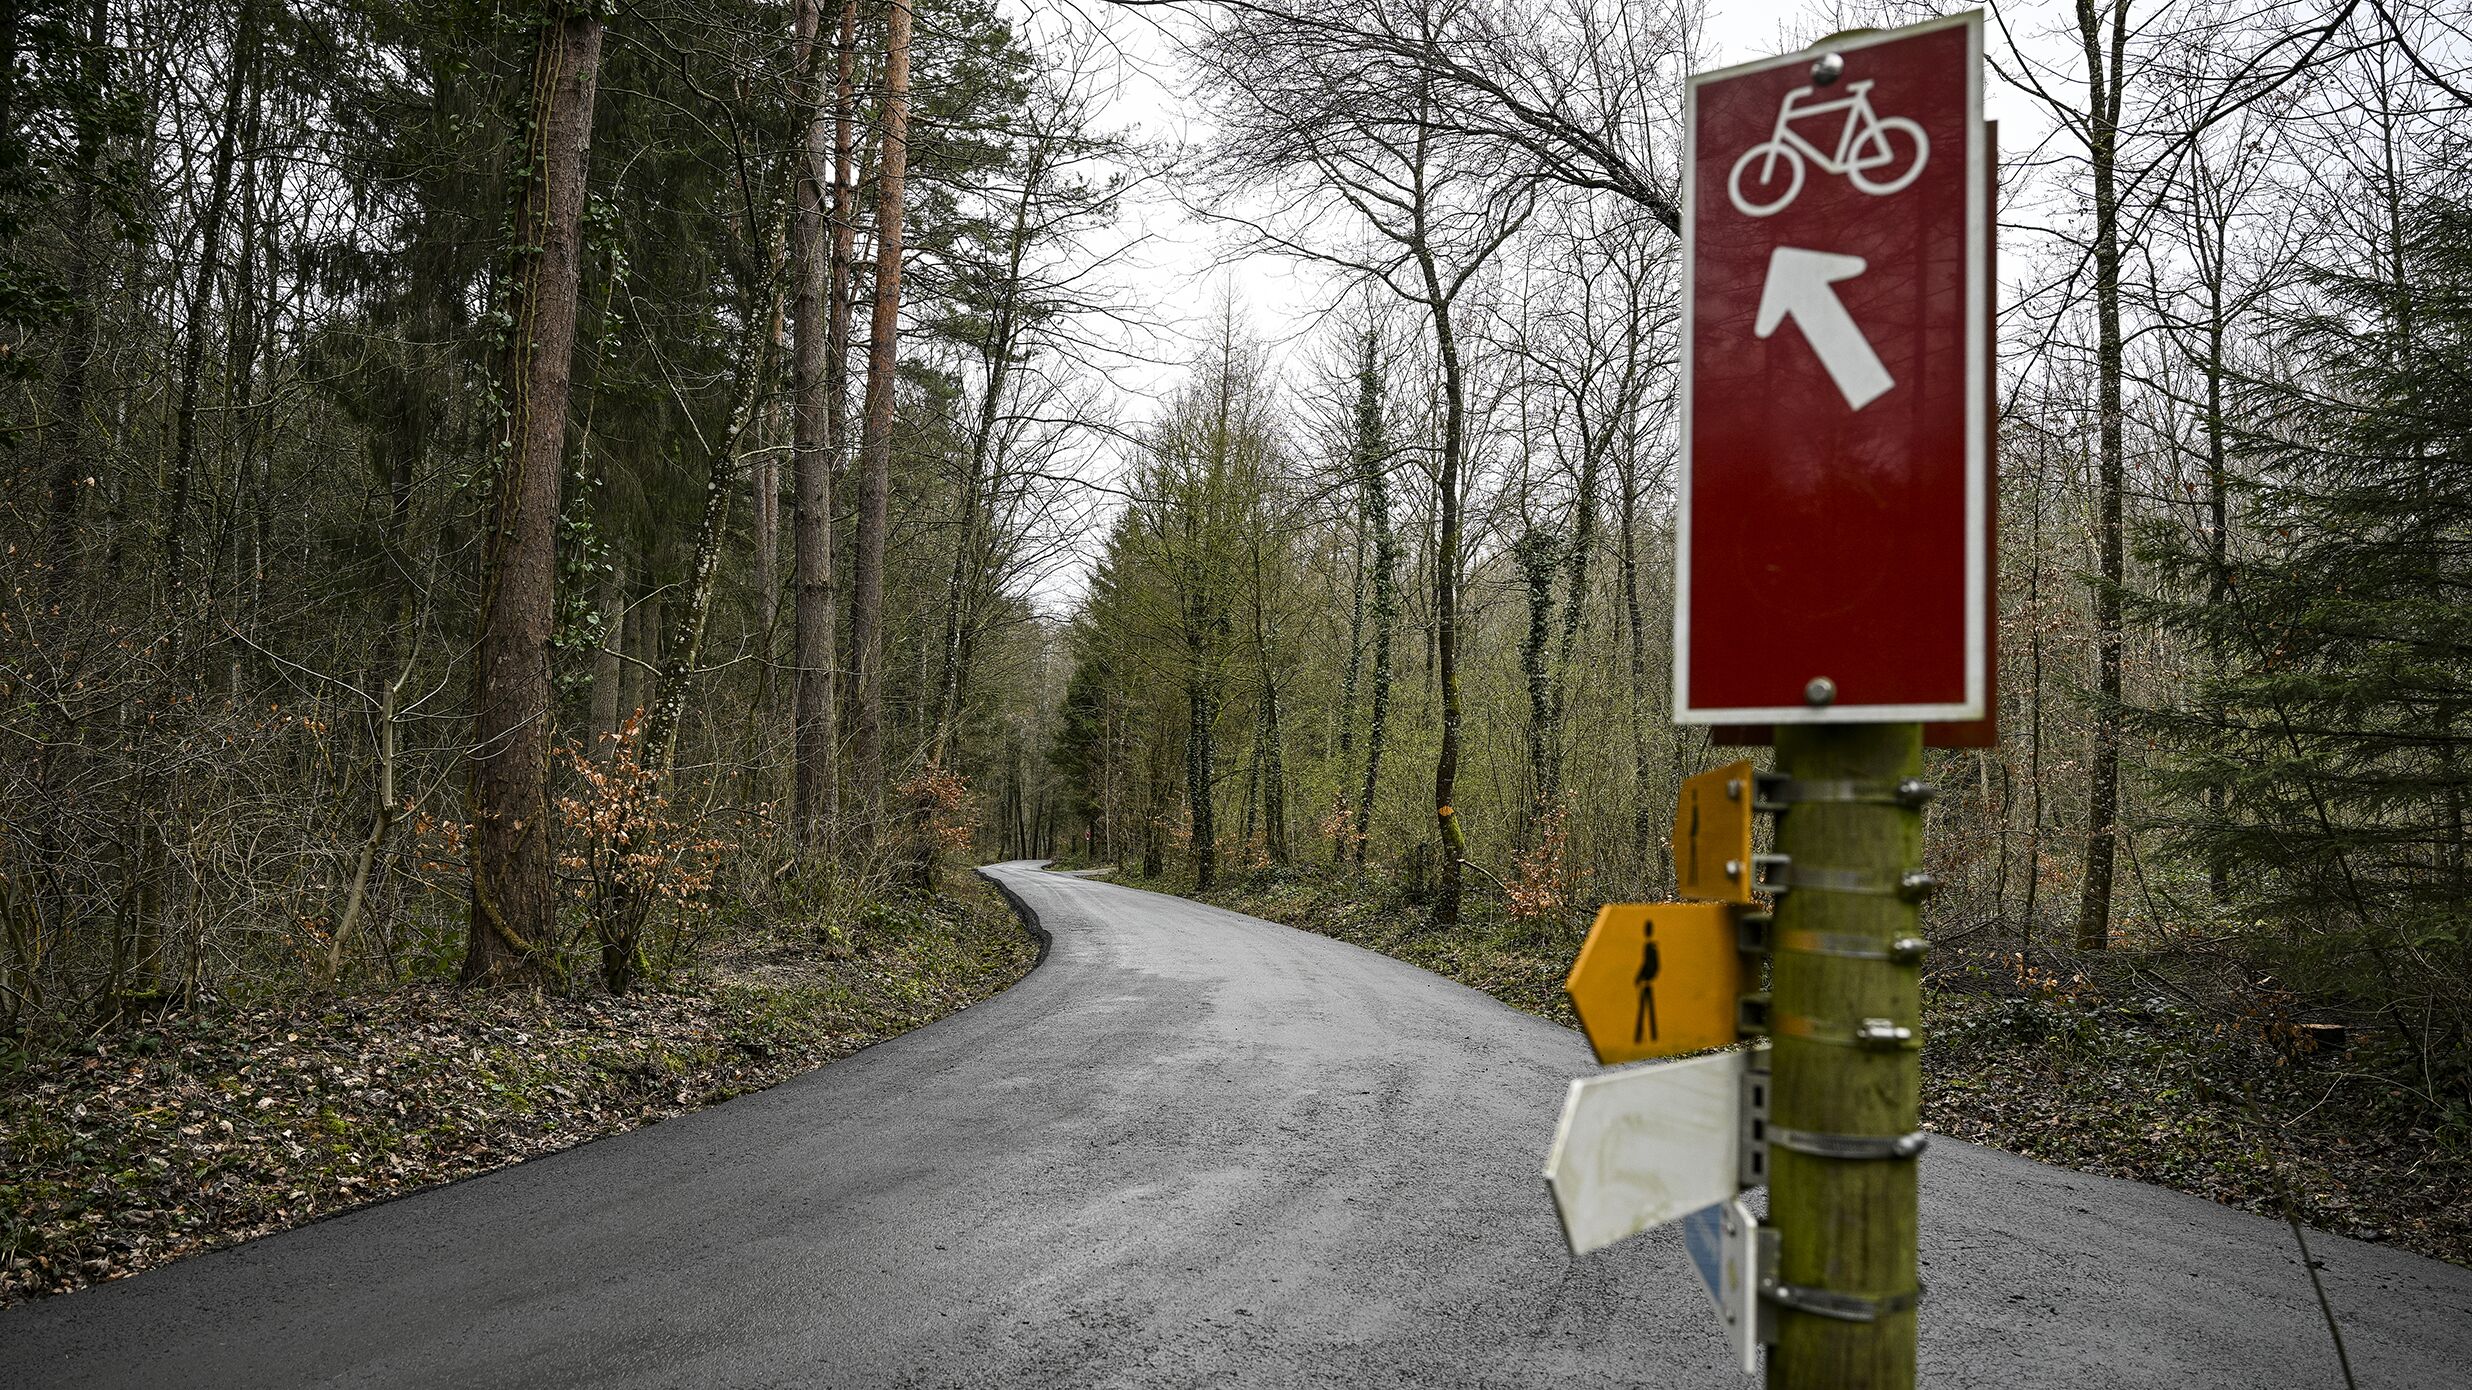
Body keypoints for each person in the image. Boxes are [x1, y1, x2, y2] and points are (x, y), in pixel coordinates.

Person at [1633, 921, 1661, 1043]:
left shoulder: (1649, 946)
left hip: (1646, 980)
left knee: (1643, 1008)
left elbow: (1646, 963)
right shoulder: (1654, 946)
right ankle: (1652, 1035)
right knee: (1649, 1007)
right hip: (1650, 980)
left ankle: (1640, 1036)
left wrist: (1639, 977)